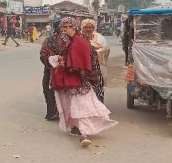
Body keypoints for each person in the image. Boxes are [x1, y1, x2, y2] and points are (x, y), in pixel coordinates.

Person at [49, 17, 118, 148]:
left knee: (84, 105)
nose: (67, 29)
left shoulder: (81, 39)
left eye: (70, 26)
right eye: (65, 26)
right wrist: (56, 59)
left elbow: (86, 54)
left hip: (81, 79)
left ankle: (84, 133)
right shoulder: (56, 40)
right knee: (70, 106)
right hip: (64, 80)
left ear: (75, 27)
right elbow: (48, 55)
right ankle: (77, 128)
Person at [39, 17, 63, 121]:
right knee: (49, 91)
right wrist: (55, 59)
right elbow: (43, 55)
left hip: (69, 71)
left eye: (68, 27)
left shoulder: (73, 40)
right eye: (62, 27)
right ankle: (52, 111)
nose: (64, 29)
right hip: (51, 71)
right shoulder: (49, 41)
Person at [81, 19, 109, 101]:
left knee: (98, 87)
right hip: (83, 69)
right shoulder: (78, 38)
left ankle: (99, 105)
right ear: (82, 27)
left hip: (97, 68)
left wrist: (95, 52)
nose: (88, 29)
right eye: (86, 27)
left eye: (91, 27)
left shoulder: (100, 38)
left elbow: (106, 50)